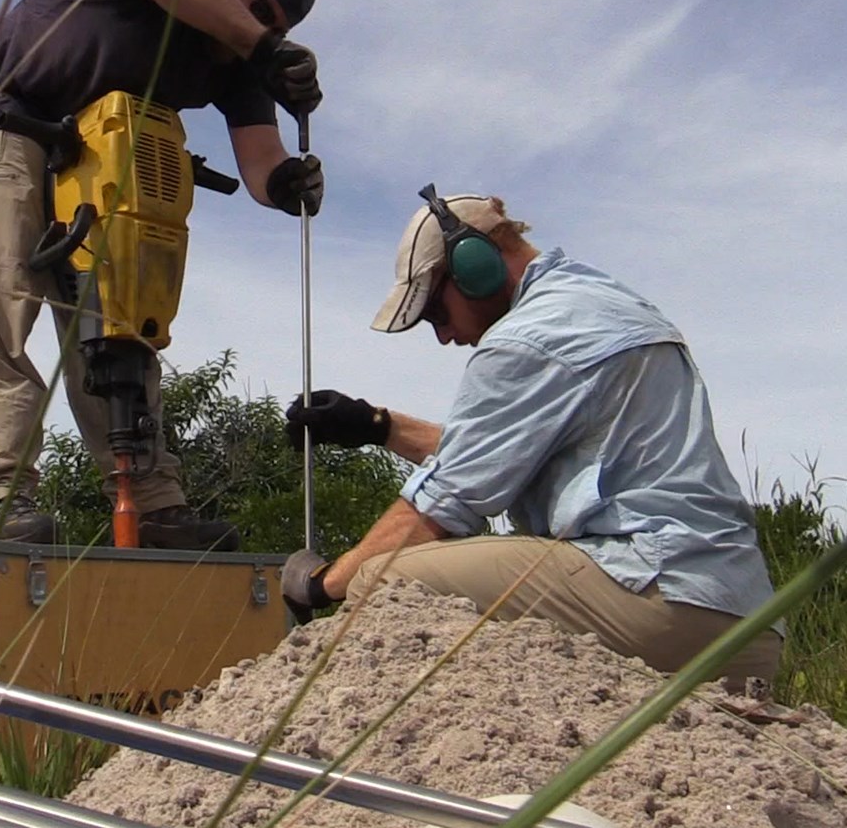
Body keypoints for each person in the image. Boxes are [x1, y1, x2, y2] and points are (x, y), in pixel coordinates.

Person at [280, 185, 783, 691]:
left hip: (658, 601)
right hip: (742, 623)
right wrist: (376, 425)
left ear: (473, 265)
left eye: (436, 311)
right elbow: (500, 453)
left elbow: (444, 505)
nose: (444, 336)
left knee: (382, 582)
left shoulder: (524, 341)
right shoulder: (595, 299)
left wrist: (322, 584)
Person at [0, 0, 324, 550]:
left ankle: (150, 505)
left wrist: (287, 182)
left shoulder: (236, 65)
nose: (265, 29)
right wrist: (264, 47)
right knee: (1, 296)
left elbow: (259, 165)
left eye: (281, 27)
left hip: (100, 147)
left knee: (122, 314)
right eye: (260, 7)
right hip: (9, 118)